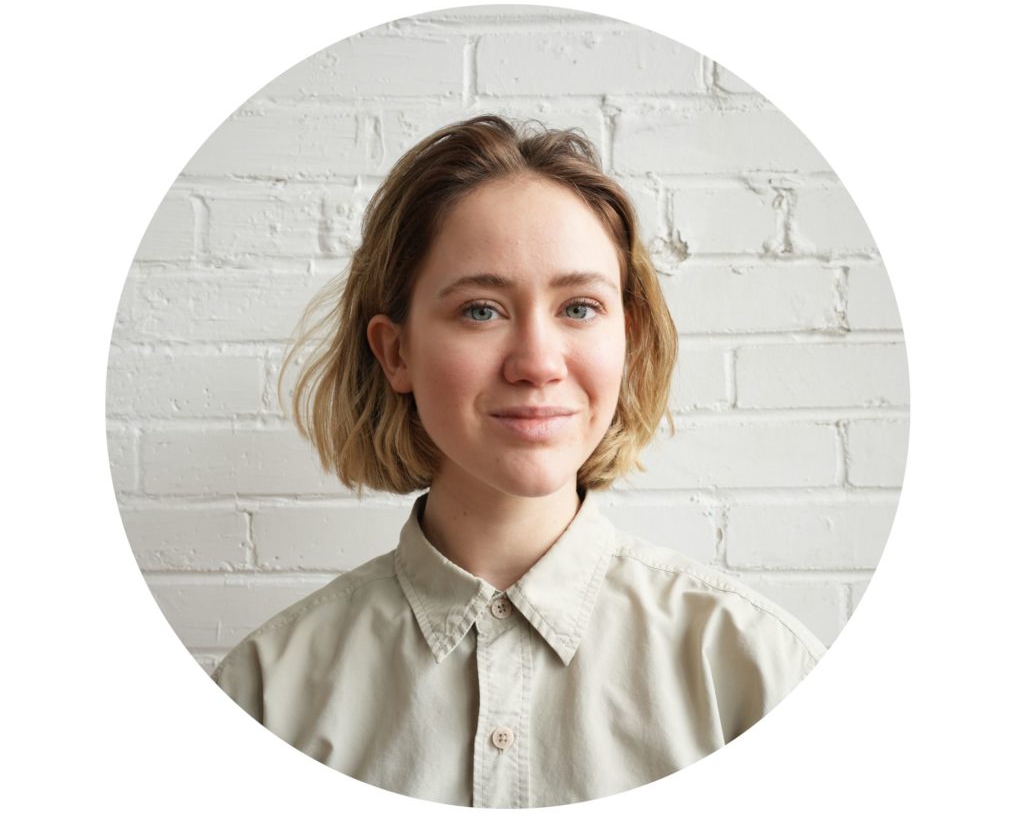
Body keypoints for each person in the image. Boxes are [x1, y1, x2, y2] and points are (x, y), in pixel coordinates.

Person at [212, 115, 825, 808]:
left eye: (581, 307)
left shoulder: (755, 669)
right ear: (396, 352)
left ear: (629, 337)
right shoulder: (265, 694)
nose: (537, 363)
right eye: (481, 309)